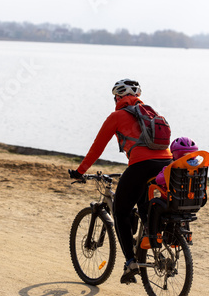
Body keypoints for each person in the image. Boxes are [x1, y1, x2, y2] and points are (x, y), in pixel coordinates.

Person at [68, 78, 172, 284]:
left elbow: (97, 147)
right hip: (166, 164)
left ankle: (131, 262)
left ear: (117, 97)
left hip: (141, 166)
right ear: (137, 96)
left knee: (121, 211)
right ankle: (153, 243)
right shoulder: (151, 112)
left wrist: (80, 171)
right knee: (144, 206)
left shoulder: (116, 116)